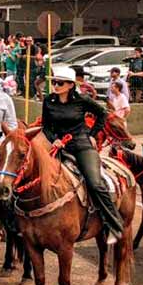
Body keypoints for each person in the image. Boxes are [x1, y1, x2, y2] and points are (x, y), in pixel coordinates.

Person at [41, 66, 123, 244]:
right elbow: (46, 127)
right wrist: (54, 139)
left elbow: (103, 113)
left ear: (70, 85)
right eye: (54, 82)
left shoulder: (82, 100)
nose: (55, 85)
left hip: (81, 145)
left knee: (95, 182)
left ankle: (113, 226)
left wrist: (92, 135)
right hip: (58, 147)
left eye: (59, 82)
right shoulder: (48, 101)